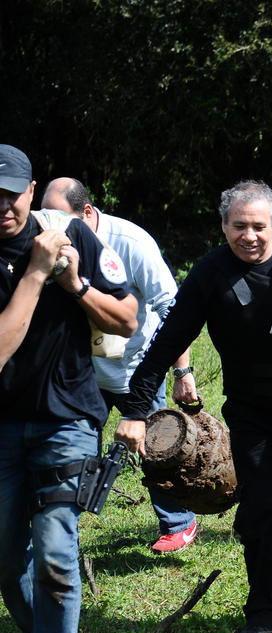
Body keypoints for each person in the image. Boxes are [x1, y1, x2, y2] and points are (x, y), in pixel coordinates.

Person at [114, 181, 272, 633]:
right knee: (261, 512)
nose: (249, 235)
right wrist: (135, 408)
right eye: (239, 226)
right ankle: (263, 613)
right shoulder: (212, 273)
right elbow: (169, 339)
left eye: (259, 226)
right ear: (224, 226)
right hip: (251, 413)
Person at [0, 144, 137, 633]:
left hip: (69, 419)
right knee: (7, 561)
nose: (4, 206)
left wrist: (75, 284)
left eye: (12, 194)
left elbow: (125, 319)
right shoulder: (40, 254)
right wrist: (37, 273)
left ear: (32, 191)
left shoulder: (72, 234)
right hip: (3, 425)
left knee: (56, 554)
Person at [41, 177, 201, 554]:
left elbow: (172, 309)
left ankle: (178, 522)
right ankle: (65, 530)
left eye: (59, 218)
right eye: (46, 217)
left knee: (154, 449)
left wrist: (182, 371)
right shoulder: (45, 244)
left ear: (86, 213)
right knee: (71, 450)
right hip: (80, 372)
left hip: (136, 369)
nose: (51, 227)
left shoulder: (130, 242)